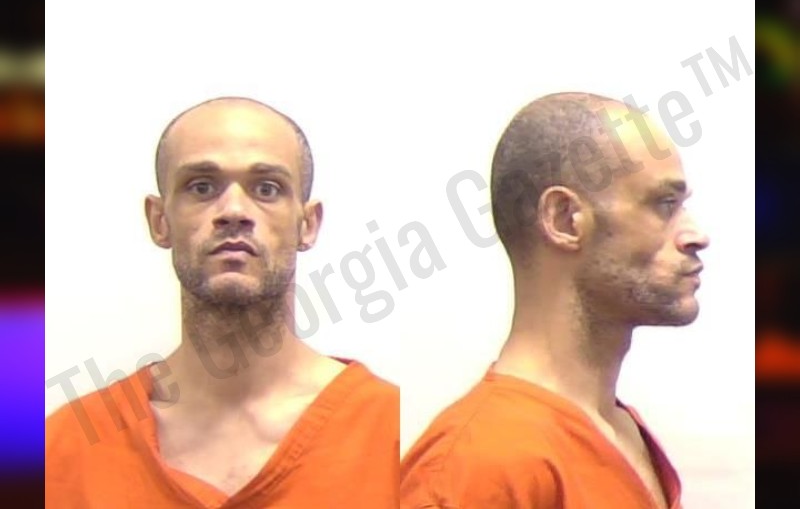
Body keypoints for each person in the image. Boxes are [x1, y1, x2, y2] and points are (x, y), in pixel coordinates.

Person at [46, 97, 399, 508]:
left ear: (308, 224)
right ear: (160, 221)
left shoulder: (390, 435)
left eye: (266, 188)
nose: (233, 211)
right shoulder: (64, 453)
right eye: (202, 187)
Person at [400, 92, 709, 509]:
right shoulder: (478, 467)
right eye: (664, 204)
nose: (696, 236)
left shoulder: (622, 431)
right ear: (564, 220)